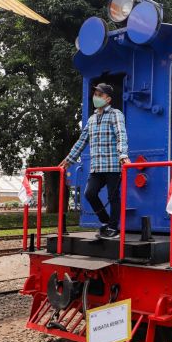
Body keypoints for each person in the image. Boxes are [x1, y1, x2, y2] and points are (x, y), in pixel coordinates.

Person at [59, 83, 130, 238]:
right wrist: (69, 159)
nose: (96, 97)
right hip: (96, 166)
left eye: (100, 94)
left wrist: (123, 154)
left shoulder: (115, 114)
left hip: (112, 165)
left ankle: (113, 228)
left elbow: (121, 135)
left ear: (108, 99)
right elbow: (82, 141)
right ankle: (105, 222)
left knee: (113, 196)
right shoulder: (91, 119)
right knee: (90, 193)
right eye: (95, 94)